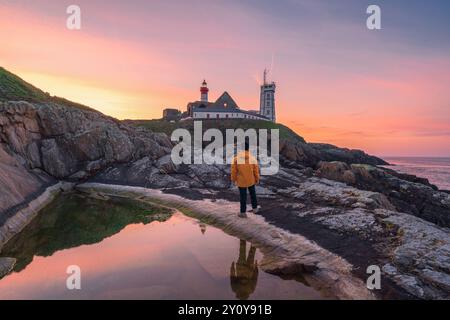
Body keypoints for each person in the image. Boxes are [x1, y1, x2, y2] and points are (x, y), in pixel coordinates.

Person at [231, 140, 260, 218]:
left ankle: (243, 213)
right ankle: (255, 209)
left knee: (243, 196)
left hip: (241, 181)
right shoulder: (252, 158)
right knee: (253, 194)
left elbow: (234, 171)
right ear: (248, 149)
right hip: (251, 180)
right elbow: (256, 170)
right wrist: (257, 179)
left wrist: (233, 180)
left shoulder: (236, 159)